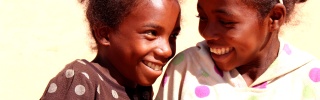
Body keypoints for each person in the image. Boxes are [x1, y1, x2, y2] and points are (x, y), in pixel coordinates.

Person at [156, 0, 320, 99]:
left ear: (274, 17)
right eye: (203, 17)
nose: (206, 33)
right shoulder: (186, 69)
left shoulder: (310, 79)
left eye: (226, 22)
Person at [40, 0, 181, 99]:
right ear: (105, 35)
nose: (167, 50)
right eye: (151, 33)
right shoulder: (81, 79)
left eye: (173, 36)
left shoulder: (142, 90)